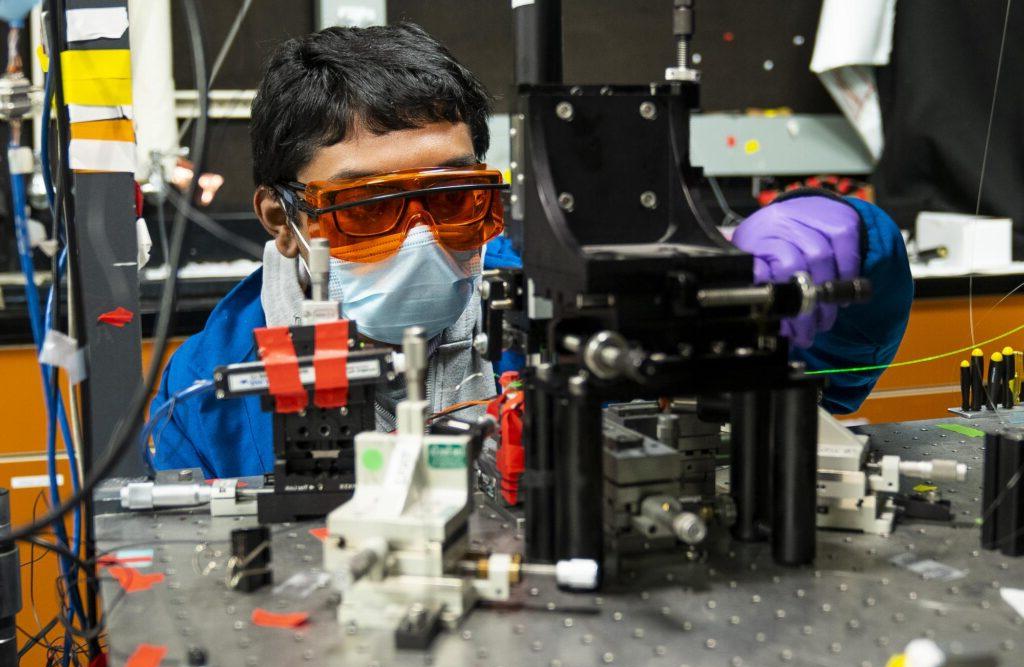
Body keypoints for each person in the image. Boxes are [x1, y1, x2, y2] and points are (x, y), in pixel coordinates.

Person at [151, 23, 913, 478]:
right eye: (369, 207)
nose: (421, 239)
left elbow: (831, 378)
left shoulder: (563, 306)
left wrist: (857, 246)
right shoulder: (206, 402)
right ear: (282, 219)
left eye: (453, 198)